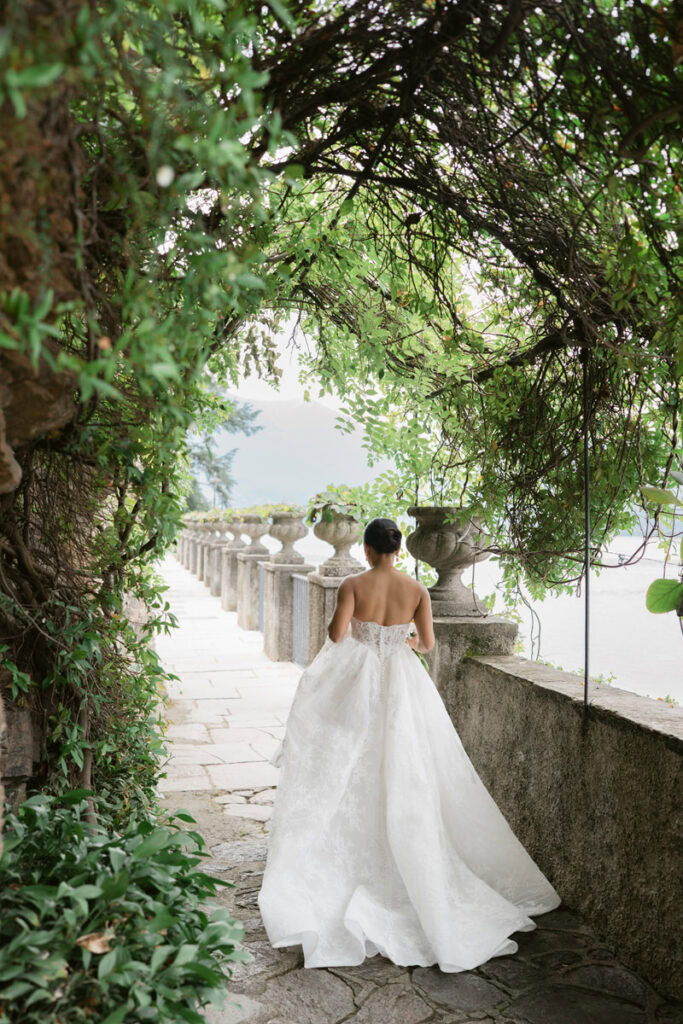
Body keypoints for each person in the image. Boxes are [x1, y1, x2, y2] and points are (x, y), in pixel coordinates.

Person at [257, 517, 560, 971]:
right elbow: (428, 644)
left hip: (357, 683)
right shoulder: (417, 591)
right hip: (401, 681)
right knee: (407, 768)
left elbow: (336, 636)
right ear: (399, 549)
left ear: (365, 547)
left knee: (349, 765)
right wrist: (400, 638)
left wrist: (367, 631)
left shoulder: (354, 585)